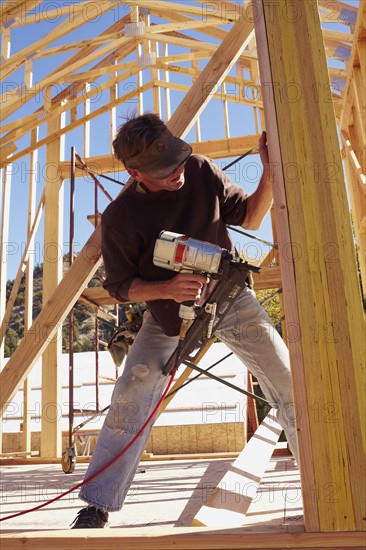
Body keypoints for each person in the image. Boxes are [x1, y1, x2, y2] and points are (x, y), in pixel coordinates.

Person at [70, 113, 298, 529]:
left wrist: (270, 171)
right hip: (168, 312)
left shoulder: (199, 169)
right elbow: (121, 286)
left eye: (178, 161)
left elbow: (248, 217)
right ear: (135, 172)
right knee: (132, 392)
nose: (177, 173)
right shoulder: (121, 218)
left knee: (288, 378)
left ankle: (332, 478)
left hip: (230, 296)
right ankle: (97, 504)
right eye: (165, 171)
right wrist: (167, 289)